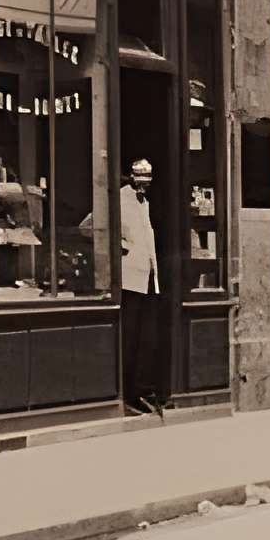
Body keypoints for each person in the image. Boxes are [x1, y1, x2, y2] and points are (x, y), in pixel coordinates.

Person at [120, 156, 165, 415]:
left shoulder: (145, 201)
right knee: (131, 336)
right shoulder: (121, 199)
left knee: (145, 337)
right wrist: (126, 249)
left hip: (148, 277)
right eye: (140, 177)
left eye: (148, 178)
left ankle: (141, 390)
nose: (144, 183)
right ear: (131, 175)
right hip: (129, 277)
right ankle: (128, 392)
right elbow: (92, 227)